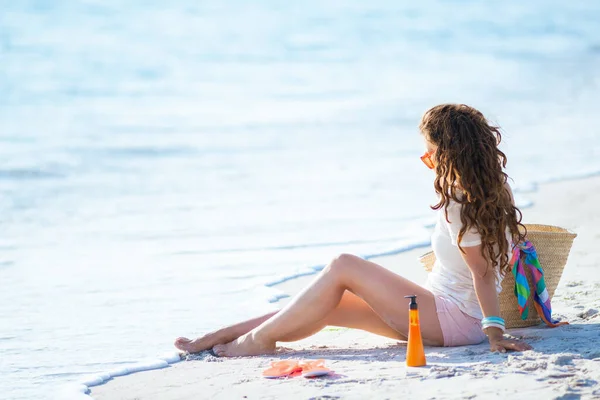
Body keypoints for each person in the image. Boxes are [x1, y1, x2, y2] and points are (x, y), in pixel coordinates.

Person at [174, 104, 533, 356]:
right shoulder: (492, 189)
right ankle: (225, 335)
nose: (427, 162)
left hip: (454, 321)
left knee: (343, 264)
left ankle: (253, 342)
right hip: (440, 312)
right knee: (326, 303)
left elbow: (483, 274)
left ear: (449, 154)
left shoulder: (461, 199)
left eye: (429, 154)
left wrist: (494, 332)